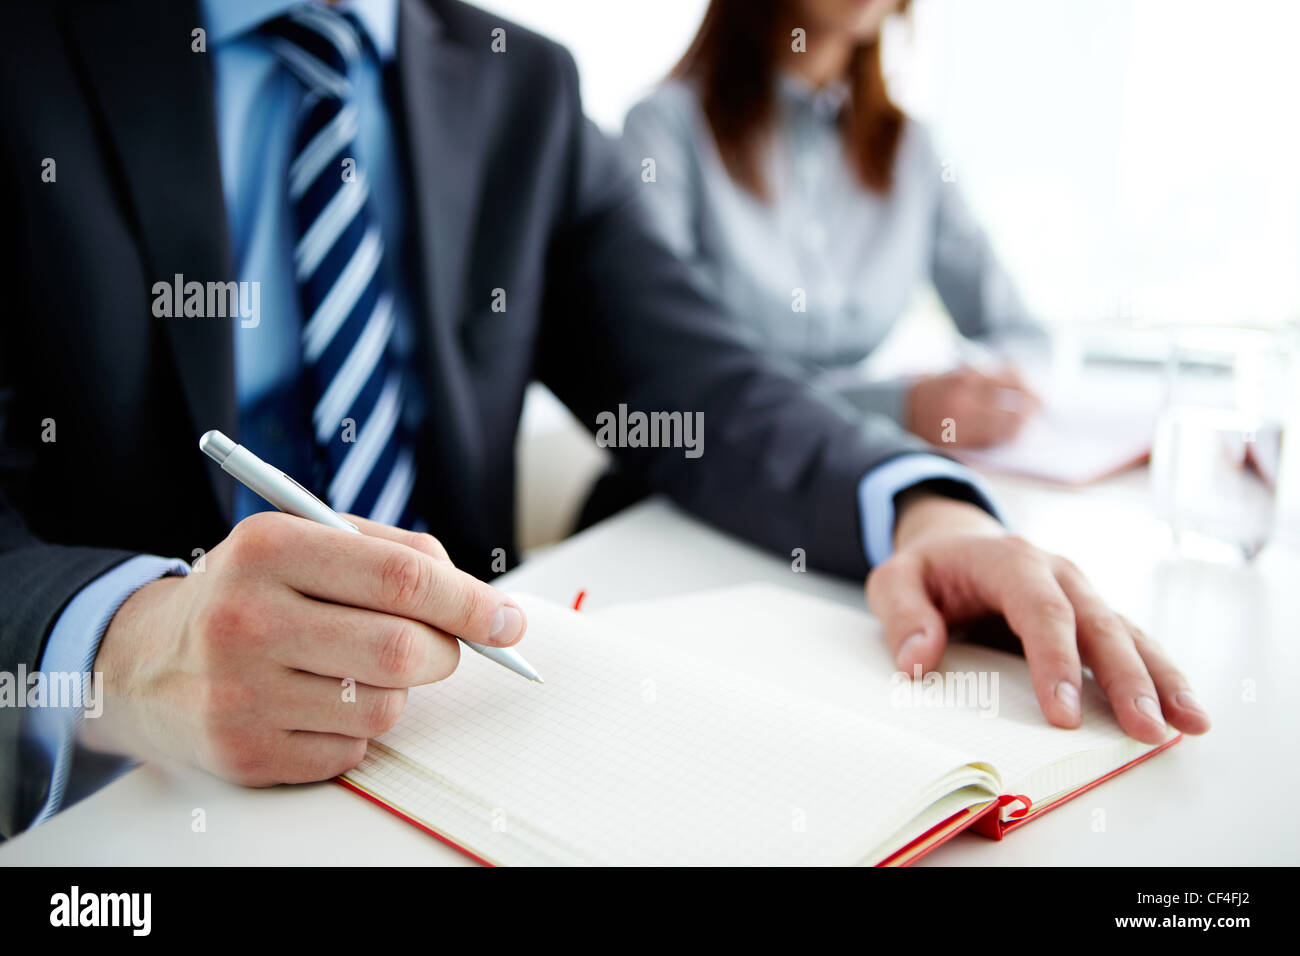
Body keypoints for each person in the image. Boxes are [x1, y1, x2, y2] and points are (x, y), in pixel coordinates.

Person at [0, 0, 1208, 839]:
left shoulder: (516, 83)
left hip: (469, 745)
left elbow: (699, 381)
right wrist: (129, 646)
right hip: (131, 800)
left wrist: (925, 510)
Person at [622, 0, 1045, 449]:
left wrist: (988, 393)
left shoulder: (911, 151)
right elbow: (671, 372)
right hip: (701, 465)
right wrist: (892, 408)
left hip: (852, 463)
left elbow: (1020, 335)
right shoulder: (663, 130)